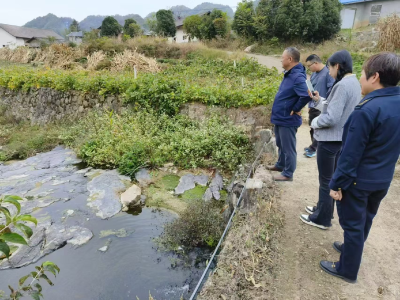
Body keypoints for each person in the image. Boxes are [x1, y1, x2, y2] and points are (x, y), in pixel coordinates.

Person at [319, 52, 400, 283]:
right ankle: (351, 249)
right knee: (366, 219)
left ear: (374, 77)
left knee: (353, 223)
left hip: (359, 181)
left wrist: (336, 184)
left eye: (363, 76)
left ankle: (347, 269)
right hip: (382, 178)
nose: (361, 80)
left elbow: (350, 155)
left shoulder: (366, 110)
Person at [300, 50, 361, 230]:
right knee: (331, 179)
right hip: (341, 138)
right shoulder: (353, 83)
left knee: (326, 180)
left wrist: (316, 121)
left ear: (338, 66)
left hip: (330, 140)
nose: (329, 70)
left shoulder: (341, 85)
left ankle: (322, 218)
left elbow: (332, 117)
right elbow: (336, 107)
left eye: (330, 66)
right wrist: (319, 100)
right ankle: (323, 209)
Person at [267, 47, 310, 182]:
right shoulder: (290, 73)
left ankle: (288, 173)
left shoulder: (297, 76)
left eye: (282, 57)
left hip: (288, 118)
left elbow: (305, 95)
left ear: (290, 59)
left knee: (288, 147)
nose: (281, 59)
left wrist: (296, 108)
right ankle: (281, 165)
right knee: (280, 143)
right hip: (281, 117)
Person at [304, 54, 335, 158]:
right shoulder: (313, 74)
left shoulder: (328, 73)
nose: (309, 68)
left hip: (322, 106)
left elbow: (332, 90)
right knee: (312, 127)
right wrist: (309, 104)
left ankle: (314, 148)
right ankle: (314, 147)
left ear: (316, 63)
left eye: (309, 66)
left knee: (319, 128)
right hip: (313, 105)